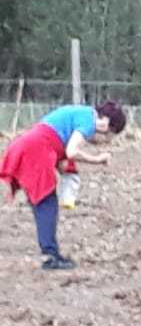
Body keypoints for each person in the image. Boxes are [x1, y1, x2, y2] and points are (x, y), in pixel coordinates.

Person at [2, 100, 126, 270]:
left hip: (29, 144)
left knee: (44, 202)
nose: (105, 141)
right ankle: (50, 256)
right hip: (36, 149)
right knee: (46, 202)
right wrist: (97, 159)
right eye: (109, 135)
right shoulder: (88, 121)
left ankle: (51, 252)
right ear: (105, 123)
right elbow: (72, 151)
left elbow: (60, 147)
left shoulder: (82, 113)